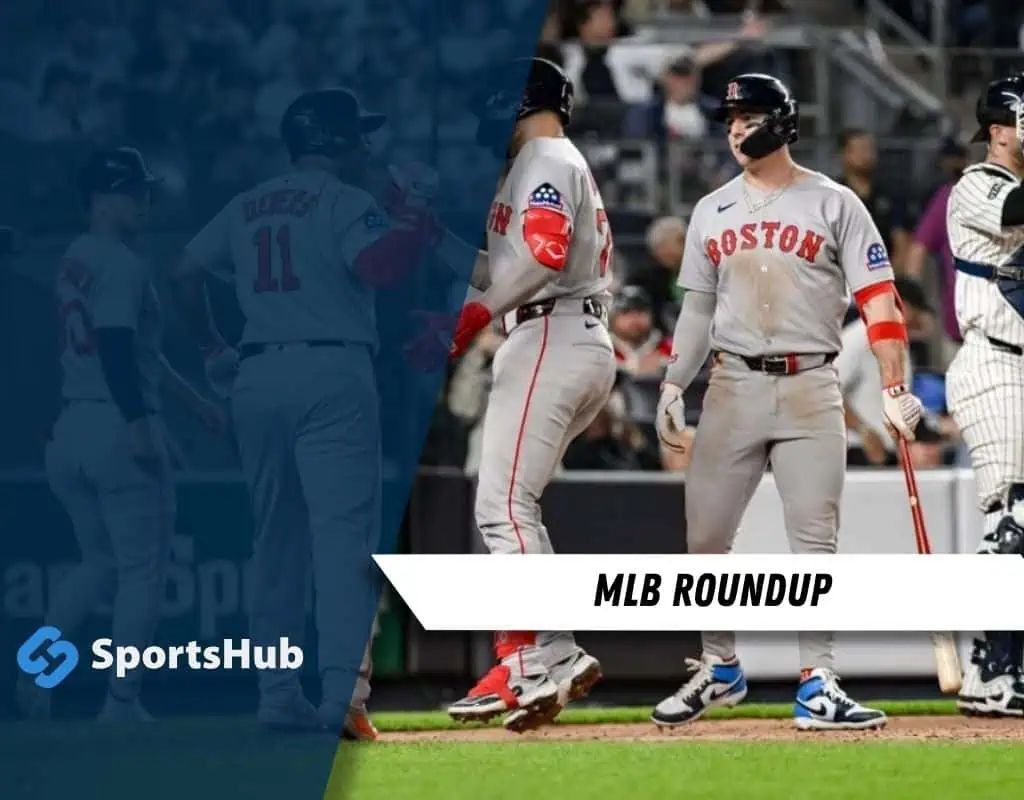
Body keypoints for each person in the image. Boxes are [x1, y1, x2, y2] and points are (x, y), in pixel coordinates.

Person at [652, 74, 923, 731]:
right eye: (730, 118)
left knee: (813, 543)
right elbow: (697, 311)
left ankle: (817, 680)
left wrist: (894, 386)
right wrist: (670, 383)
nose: (738, 128)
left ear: (782, 120)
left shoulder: (834, 203)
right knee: (705, 539)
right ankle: (719, 668)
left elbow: (880, 301)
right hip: (732, 383)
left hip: (811, 381)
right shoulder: (711, 209)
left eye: (749, 116)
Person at [170, 88, 436, 740]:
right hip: (331, 370)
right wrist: (412, 222)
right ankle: (343, 693)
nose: (367, 145)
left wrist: (211, 346)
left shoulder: (247, 203)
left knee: (276, 543)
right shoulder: (347, 201)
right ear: (337, 139)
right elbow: (380, 268)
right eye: (357, 133)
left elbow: (182, 273)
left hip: (258, 372)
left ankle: (277, 694)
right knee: (343, 541)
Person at [407, 57, 617, 734]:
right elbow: (501, 266)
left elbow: (543, 259)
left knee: (502, 507)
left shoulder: (547, 158)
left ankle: (546, 652)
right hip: (561, 333)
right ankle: (529, 656)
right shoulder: (541, 163)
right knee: (511, 506)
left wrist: (473, 316)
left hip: (552, 333)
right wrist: (429, 233)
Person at [17, 147, 223, 722]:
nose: (145, 200)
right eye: (135, 191)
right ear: (104, 199)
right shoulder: (121, 264)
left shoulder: (75, 257)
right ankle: (122, 700)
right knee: (141, 572)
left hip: (73, 426)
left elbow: (137, 355)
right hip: (115, 424)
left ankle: (37, 675)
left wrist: (189, 405)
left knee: (96, 565)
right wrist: (140, 425)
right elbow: (114, 348)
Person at [944, 73, 1024, 717]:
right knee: (1012, 523)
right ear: (998, 131)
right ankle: (990, 670)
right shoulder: (978, 184)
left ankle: (1005, 667)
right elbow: (1012, 215)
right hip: (994, 364)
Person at [838, 277, 935, 468]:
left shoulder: (899, 343)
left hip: (885, 453)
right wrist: (863, 431)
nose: (919, 318)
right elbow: (825, 389)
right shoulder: (860, 336)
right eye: (916, 310)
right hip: (854, 450)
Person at [836, 128, 912, 272]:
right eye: (860, 149)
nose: (867, 155)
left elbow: (901, 241)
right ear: (844, 154)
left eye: (870, 149)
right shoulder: (835, 196)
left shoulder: (890, 194)